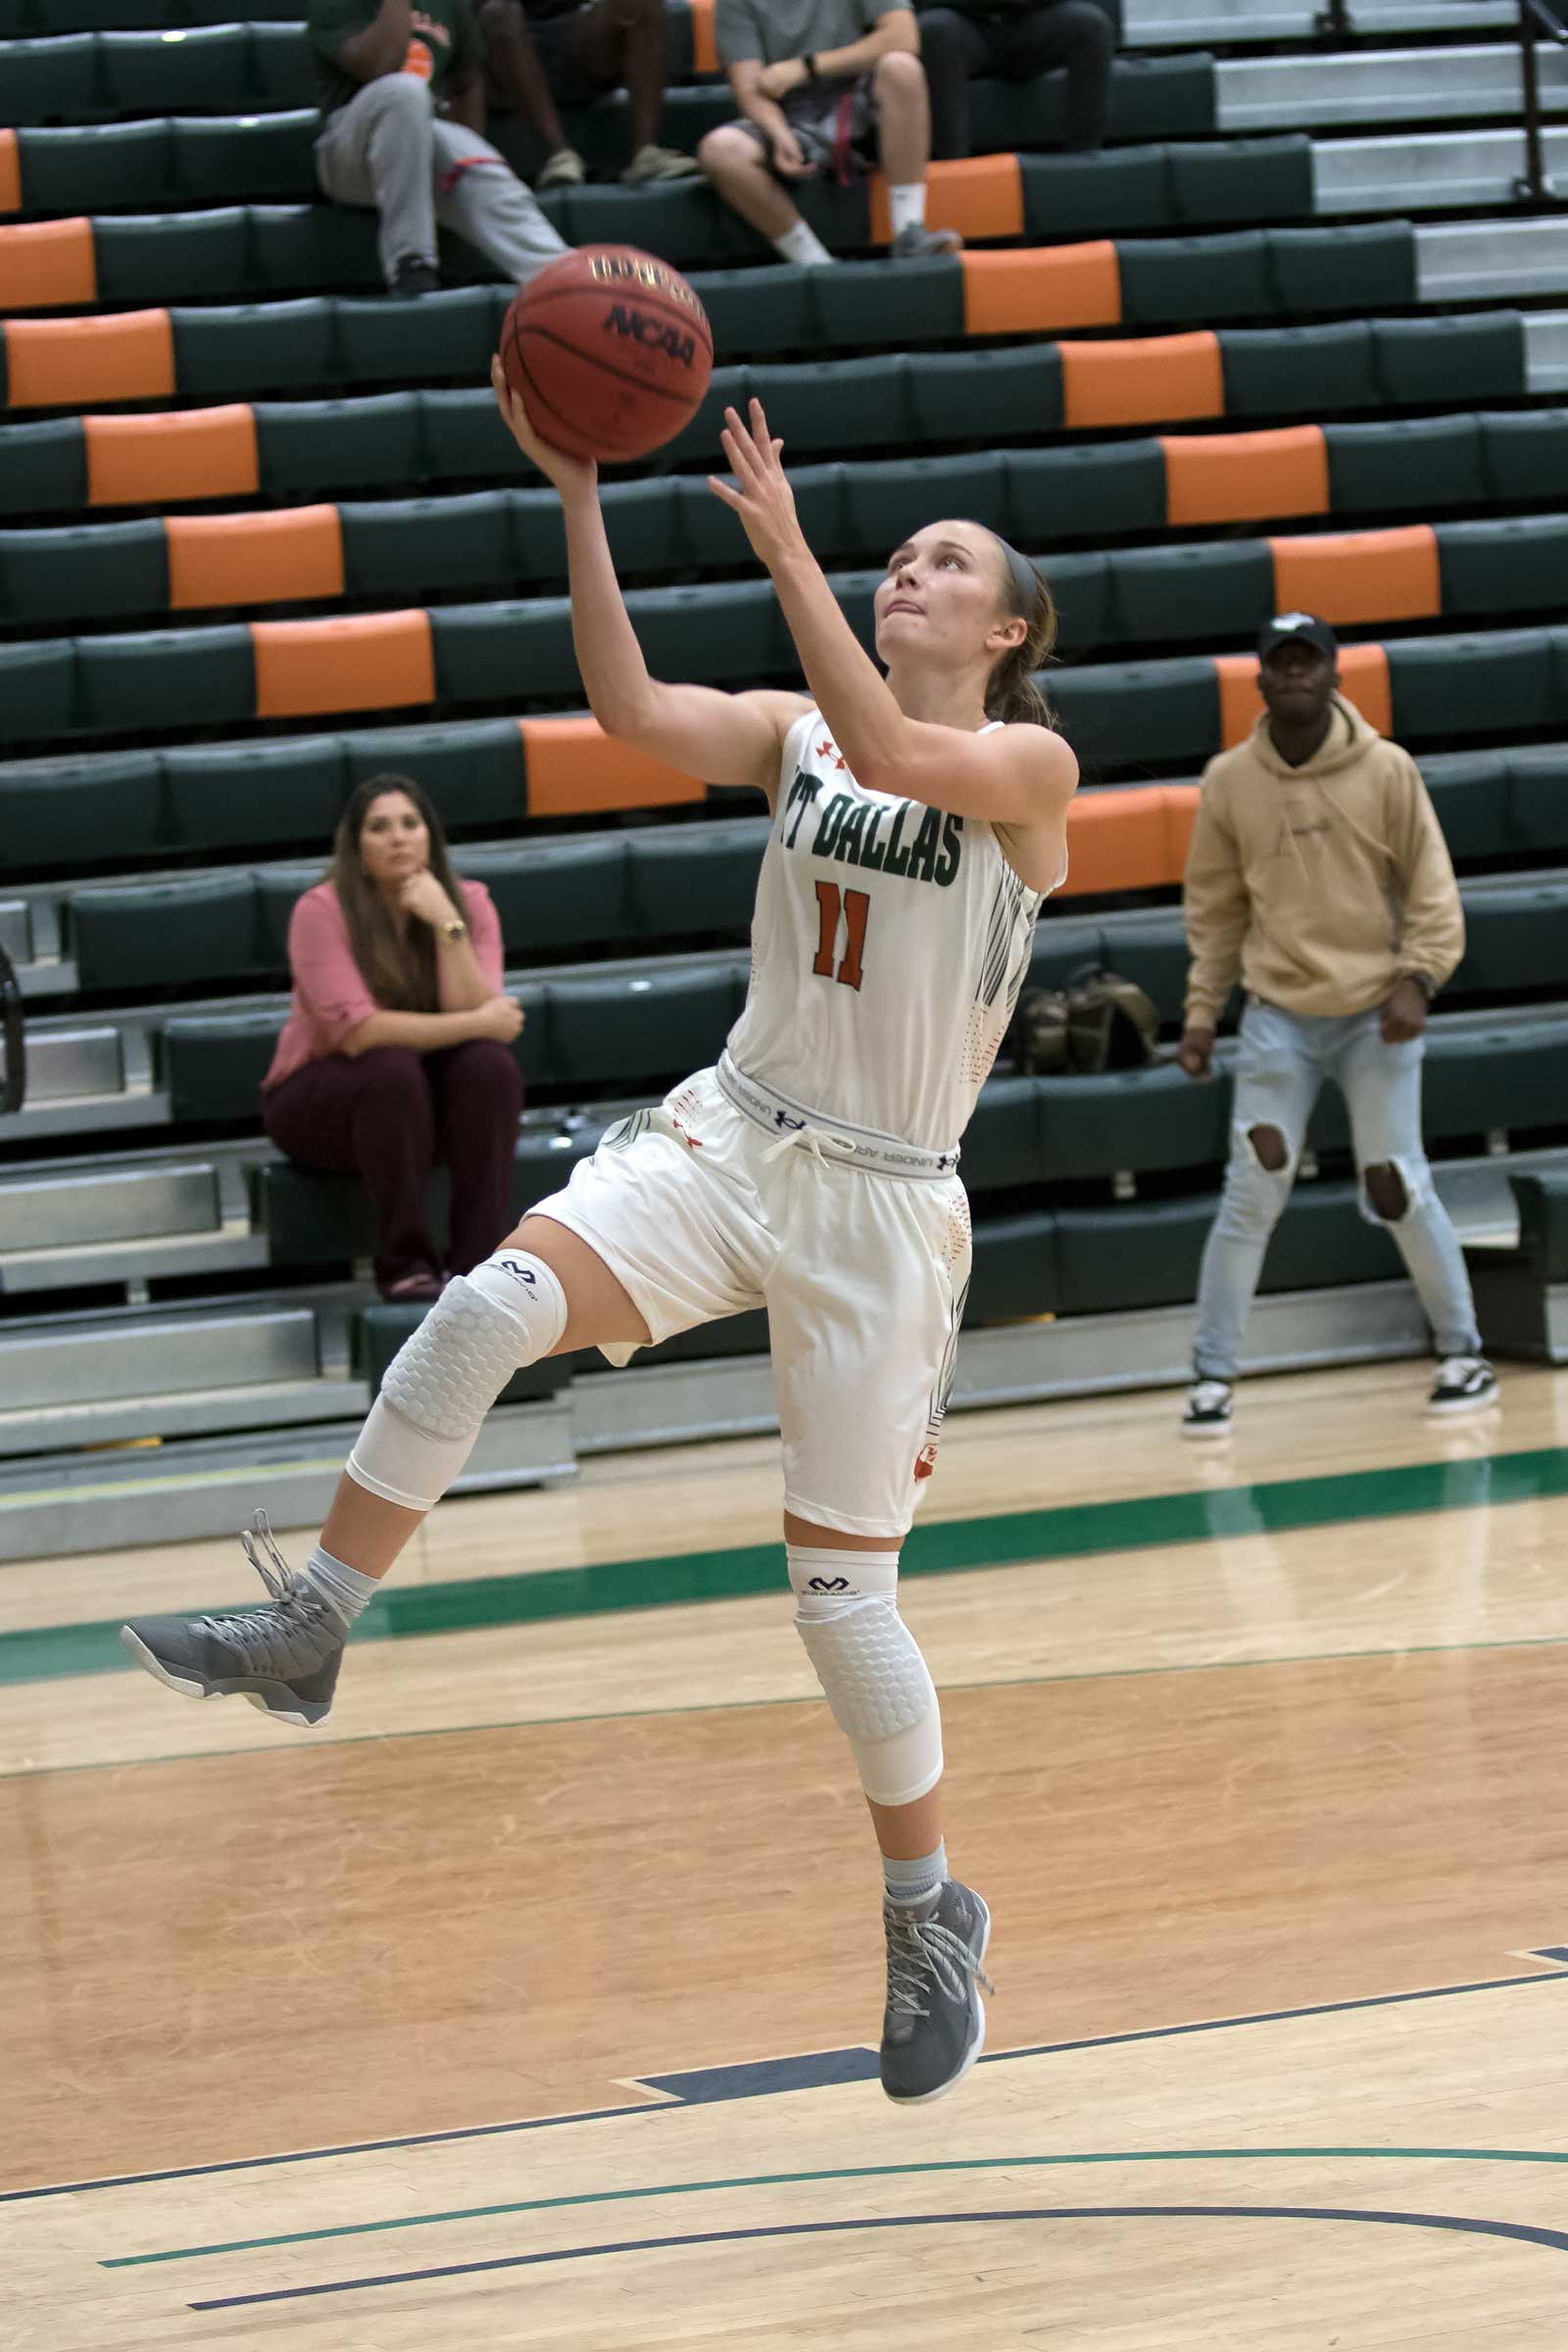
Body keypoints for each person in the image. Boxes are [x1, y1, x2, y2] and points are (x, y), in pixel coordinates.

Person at [122, 382, 1078, 2108]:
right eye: (899, 557)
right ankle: (316, 1623)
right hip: (733, 1135)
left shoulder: (1027, 770)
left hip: (882, 1202)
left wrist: (786, 552)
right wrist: (580, 494)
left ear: (1009, 631)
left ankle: (928, 1912)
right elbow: (629, 705)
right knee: (487, 1307)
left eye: (948, 564)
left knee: (839, 1602)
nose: (908, 572)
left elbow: (899, 758)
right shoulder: (797, 733)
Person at [1177, 612, 1497, 1440]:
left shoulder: (1388, 769)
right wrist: (1203, 1013)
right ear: (1260, 680)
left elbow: (1432, 887)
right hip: (1278, 1014)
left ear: (1333, 676)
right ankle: (1211, 1375)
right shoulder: (1228, 780)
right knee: (1252, 1189)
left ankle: (1464, 1353)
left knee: (1396, 1181)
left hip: (1376, 1014)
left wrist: (1419, 978)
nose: (1295, 673)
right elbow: (1215, 910)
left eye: (1308, 661)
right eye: (1281, 662)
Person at [261, 775, 525, 1302]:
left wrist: (447, 924)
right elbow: (359, 1033)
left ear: (430, 836)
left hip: (417, 1104)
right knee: (391, 1069)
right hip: (319, 1105)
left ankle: (480, 1262)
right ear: (356, 848)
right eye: (379, 827)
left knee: (489, 1067)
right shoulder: (321, 910)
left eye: (410, 823)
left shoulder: (470, 902)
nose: (398, 837)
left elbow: (469, 1007)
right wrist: (482, 1023)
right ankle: (405, 1264)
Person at [308, 0, 569, 296]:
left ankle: (564, 276)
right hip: (345, 155)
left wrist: (459, 158)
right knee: (405, 91)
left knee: (475, 161)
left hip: (416, 148)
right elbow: (382, 65)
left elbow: (466, 83)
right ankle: (411, 261)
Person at [699, 0, 962, 267]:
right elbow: (749, 89)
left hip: (860, 99)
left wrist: (807, 67)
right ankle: (816, 263)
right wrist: (779, 134)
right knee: (720, 150)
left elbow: (903, 37)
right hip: (791, 118)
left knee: (901, 67)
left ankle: (909, 231)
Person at [479, 0, 703, 187]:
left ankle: (647, 153)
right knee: (498, 12)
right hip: (498, 51)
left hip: (571, 34)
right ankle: (559, 155)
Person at [915, 0, 1114, 162]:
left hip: (1031, 20)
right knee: (935, 31)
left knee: (1091, 26)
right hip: (965, 23)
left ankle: (1084, 161)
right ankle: (954, 170)